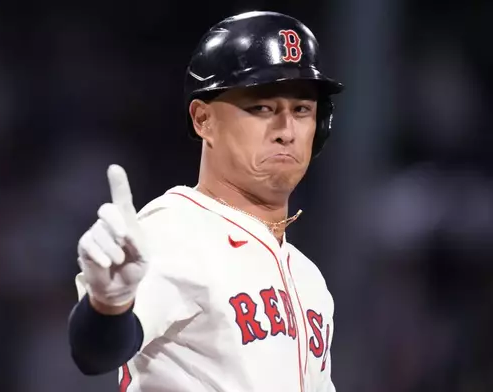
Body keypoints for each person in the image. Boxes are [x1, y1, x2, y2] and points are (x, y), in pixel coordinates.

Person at [68, 10, 344, 392]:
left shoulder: (309, 279)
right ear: (203, 120)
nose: (286, 131)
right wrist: (109, 305)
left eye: (302, 110)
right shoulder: (175, 230)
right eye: (262, 108)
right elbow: (95, 352)